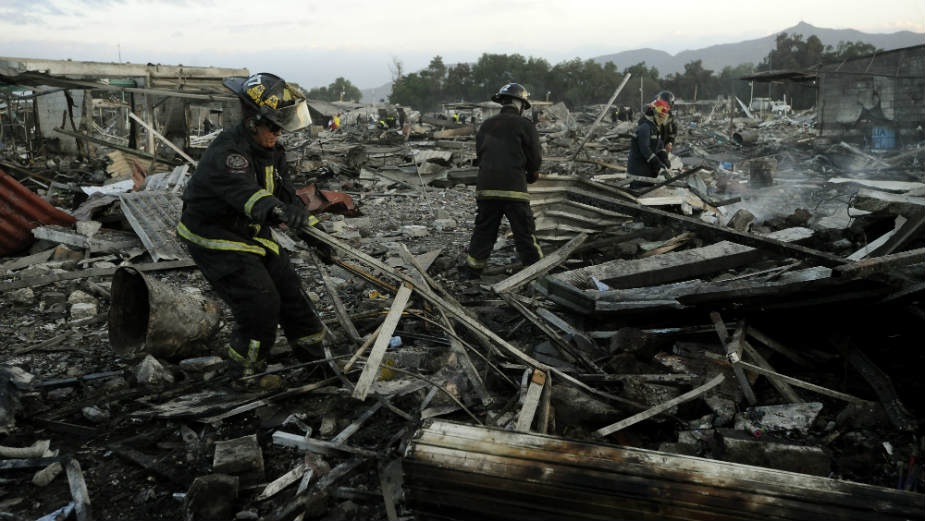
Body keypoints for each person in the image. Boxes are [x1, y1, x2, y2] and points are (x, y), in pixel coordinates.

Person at [177, 72, 331, 378]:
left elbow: (284, 194)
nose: (278, 133)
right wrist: (279, 212)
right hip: (215, 236)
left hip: (250, 234)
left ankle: (316, 365)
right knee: (260, 304)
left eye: (280, 128)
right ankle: (245, 374)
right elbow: (251, 197)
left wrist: (313, 230)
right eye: (273, 127)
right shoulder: (228, 154)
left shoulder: (270, 150)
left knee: (292, 296)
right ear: (252, 121)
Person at [464, 83, 543, 279]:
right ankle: (535, 273)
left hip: (485, 188)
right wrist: (533, 174)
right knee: (524, 233)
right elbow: (535, 159)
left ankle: (472, 272)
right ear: (522, 105)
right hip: (513, 189)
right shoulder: (525, 125)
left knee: (483, 231)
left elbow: (481, 154)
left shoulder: (486, 125)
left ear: (502, 102)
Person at [627, 98, 670, 188]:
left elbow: (660, 144)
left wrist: (664, 157)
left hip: (647, 173)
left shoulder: (654, 128)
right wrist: (657, 162)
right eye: (660, 116)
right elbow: (645, 149)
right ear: (653, 113)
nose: (662, 119)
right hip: (638, 174)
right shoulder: (644, 128)